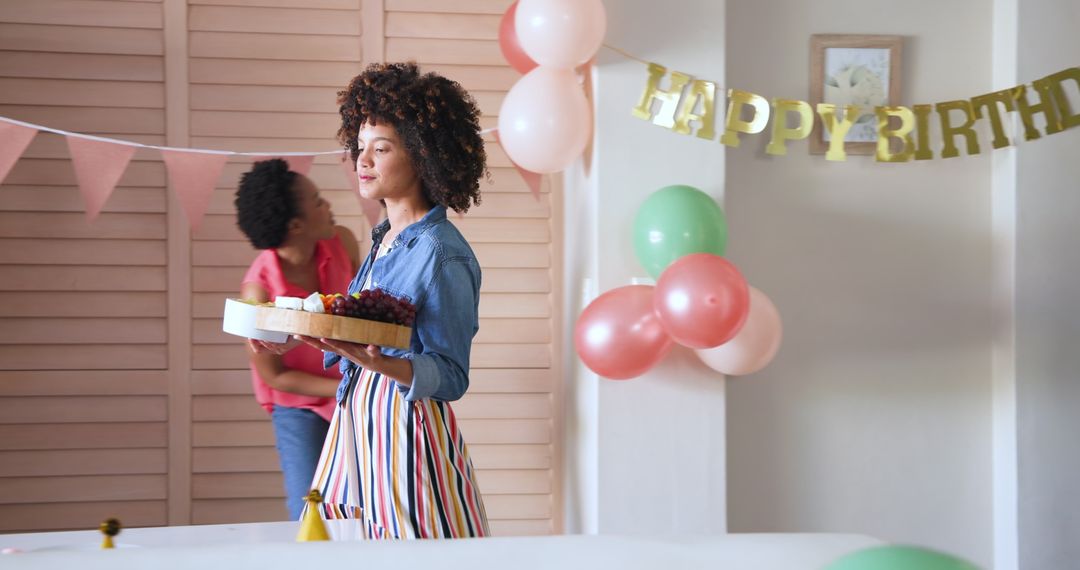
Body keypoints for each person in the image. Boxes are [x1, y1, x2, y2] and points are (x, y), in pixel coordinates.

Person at [295, 61, 490, 539]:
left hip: (404, 435)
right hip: (355, 427)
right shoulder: (383, 239)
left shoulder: (443, 255)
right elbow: (359, 333)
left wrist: (380, 363)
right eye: (360, 148)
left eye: (380, 149)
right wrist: (292, 336)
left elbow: (450, 375)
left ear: (424, 157)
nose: (362, 161)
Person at [235, 158, 361, 520]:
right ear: (295, 225)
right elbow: (273, 376)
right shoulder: (258, 292)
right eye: (319, 200)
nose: (328, 205)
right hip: (299, 406)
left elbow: (363, 314)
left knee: (362, 504)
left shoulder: (344, 243)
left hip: (351, 394)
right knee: (310, 511)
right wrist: (340, 391)